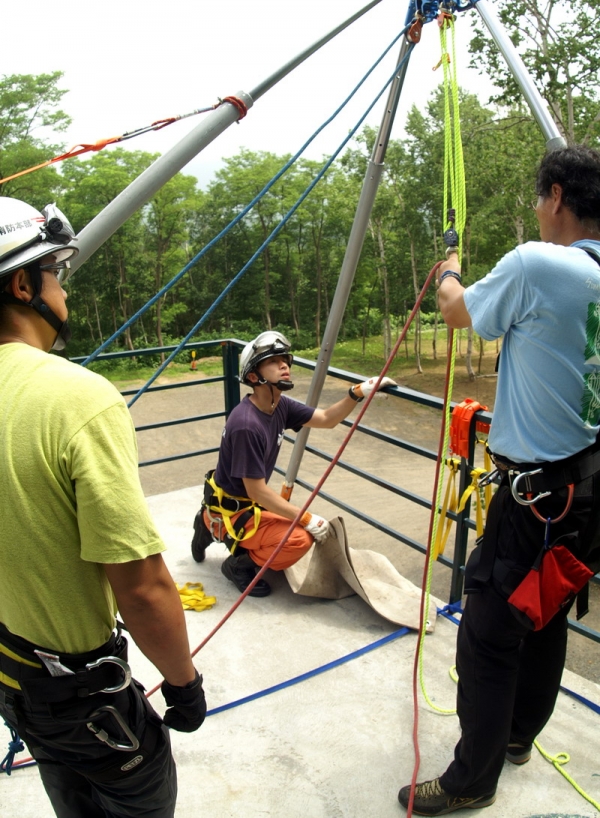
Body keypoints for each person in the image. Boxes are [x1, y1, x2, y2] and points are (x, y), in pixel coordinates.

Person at [398, 144, 600, 816]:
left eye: (542, 201)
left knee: (487, 633)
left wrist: (450, 270)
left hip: (536, 498)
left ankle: (470, 779)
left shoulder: (540, 265)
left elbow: (458, 312)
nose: (540, 213)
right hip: (587, 494)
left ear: (557, 197)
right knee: (542, 614)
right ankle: (517, 738)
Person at [0, 198, 206, 818]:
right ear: (22, 283)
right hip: (82, 695)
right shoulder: (77, 397)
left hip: (14, 676)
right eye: (55, 273)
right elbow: (142, 589)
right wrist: (182, 684)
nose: (65, 290)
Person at [191, 330, 394, 596]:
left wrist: (357, 392)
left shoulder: (278, 405)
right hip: (236, 509)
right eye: (274, 361)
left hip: (247, 504)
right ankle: (236, 564)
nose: (284, 364)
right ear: (254, 376)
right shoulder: (246, 425)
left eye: (285, 359)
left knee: (296, 525)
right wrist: (308, 519)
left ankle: (208, 526)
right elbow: (257, 492)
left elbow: (325, 419)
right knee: (299, 538)